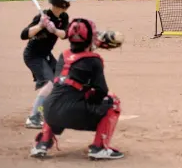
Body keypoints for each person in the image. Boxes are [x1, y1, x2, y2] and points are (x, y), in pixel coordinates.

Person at [30, 18, 125, 160]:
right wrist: (89, 98)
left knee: (59, 97)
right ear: (90, 39)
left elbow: (76, 68)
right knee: (113, 102)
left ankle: (42, 144)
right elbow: (101, 91)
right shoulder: (94, 60)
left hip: (49, 112)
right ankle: (99, 148)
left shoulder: (63, 56)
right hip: (71, 113)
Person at [21, 0, 76, 129]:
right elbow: (24, 34)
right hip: (34, 56)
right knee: (48, 84)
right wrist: (40, 26)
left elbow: (65, 34)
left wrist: (54, 29)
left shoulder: (63, 17)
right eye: (67, 2)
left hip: (46, 55)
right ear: (61, 3)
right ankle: (33, 118)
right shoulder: (42, 16)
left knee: (61, 80)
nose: (69, 5)